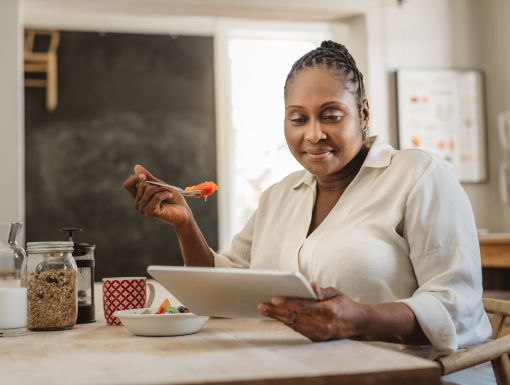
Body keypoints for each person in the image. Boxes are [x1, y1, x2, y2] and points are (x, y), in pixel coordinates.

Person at [123, 41, 495, 384]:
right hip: (303, 373)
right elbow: (221, 293)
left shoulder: (419, 175)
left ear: (363, 113)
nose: (313, 134)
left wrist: (358, 320)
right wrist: (186, 225)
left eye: (330, 115)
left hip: (410, 375)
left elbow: (457, 305)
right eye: (298, 119)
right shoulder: (278, 196)